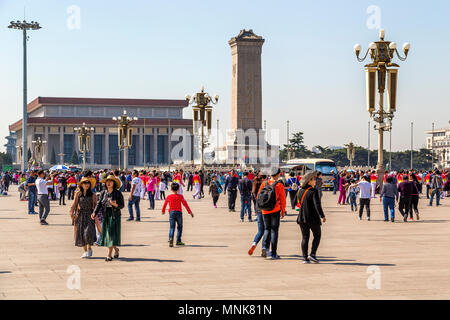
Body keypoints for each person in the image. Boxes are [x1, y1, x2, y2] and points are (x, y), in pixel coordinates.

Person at [296, 172, 326, 264]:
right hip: (312, 217)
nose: (315, 181)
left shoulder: (300, 191)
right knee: (317, 235)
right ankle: (312, 254)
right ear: (309, 181)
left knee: (305, 237)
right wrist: (322, 215)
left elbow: (296, 203)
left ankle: (305, 258)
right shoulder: (313, 191)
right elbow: (317, 204)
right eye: (314, 179)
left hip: (302, 217)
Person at [93, 175, 124, 261]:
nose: (109, 183)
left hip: (114, 216)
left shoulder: (118, 193)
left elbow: (122, 205)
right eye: (107, 181)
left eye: (111, 181)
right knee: (108, 235)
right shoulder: (103, 192)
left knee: (110, 235)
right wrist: (94, 213)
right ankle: (116, 250)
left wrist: (115, 205)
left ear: (114, 183)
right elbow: (99, 204)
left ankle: (109, 255)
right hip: (105, 215)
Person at [257, 167, 286, 260]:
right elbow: (283, 199)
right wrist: (283, 210)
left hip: (265, 210)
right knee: (274, 230)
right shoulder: (279, 185)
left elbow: (258, 196)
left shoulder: (264, 183)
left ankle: (264, 247)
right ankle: (273, 253)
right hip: (275, 210)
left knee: (267, 229)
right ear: (278, 174)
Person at [71, 177, 97, 258]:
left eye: (88, 183)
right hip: (80, 216)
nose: (87, 184)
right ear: (81, 184)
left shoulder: (93, 195)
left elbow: (96, 206)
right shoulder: (78, 194)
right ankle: (85, 251)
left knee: (88, 232)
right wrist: (72, 214)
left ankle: (89, 248)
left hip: (90, 215)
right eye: (85, 183)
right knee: (81, 234)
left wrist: (95, 214)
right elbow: (74, 205)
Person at [162, 183, 194, 247]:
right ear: (178, 189)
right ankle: (178, 241)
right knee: (179, 227)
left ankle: (171, 238)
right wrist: (190, 212)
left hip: (172, 213)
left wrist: (163, 211)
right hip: (179, 213)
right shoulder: (180, 196)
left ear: (171, 189)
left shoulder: (169, 197)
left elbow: (165, 204)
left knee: (172, 227)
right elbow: (185, 204)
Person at [248, 173, 268, 256]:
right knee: (267, 230)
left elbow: (254, 196)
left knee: (260, 231)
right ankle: (264, 247)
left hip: (259, 209)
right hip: (266, 210)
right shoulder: (266, 184)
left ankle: (254, 244)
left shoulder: (255, 184)